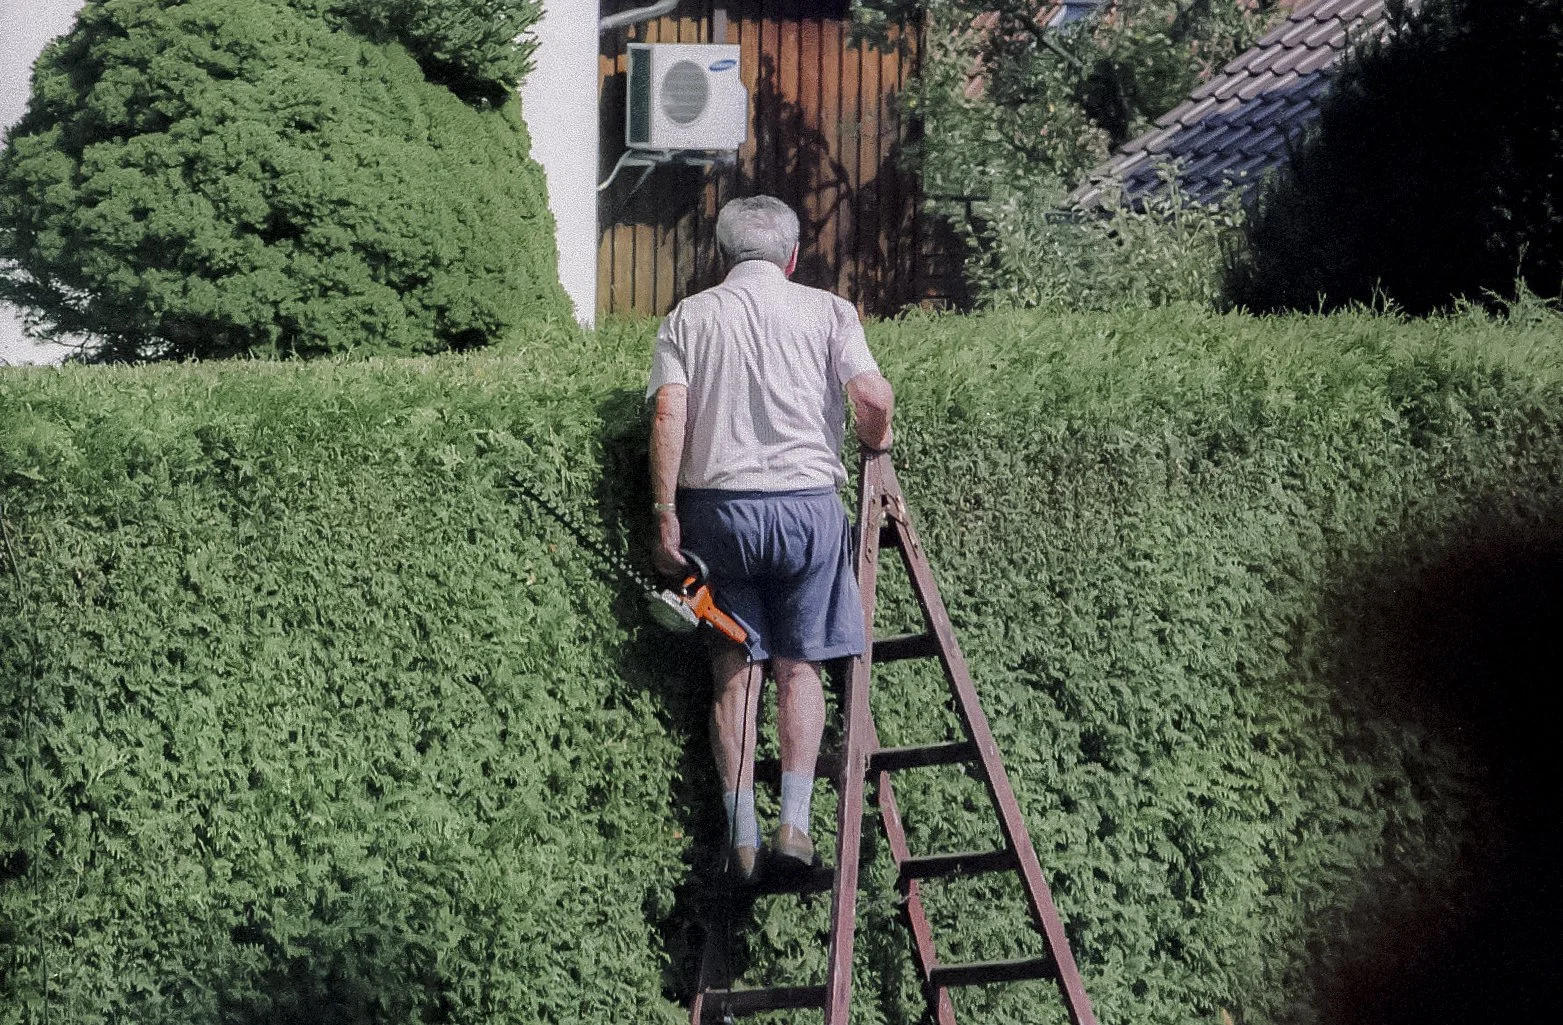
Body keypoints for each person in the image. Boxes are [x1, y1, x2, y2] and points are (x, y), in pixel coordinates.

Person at [647, 195, 895, 882]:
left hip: (716, 515)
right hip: (807, 512)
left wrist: (664, 512)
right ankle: (794, 827)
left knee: (734, 669)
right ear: (792, 257)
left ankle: (742, 838)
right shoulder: (829, 312)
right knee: (799, 665)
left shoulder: (688, 317)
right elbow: (874, 398)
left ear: (720, 255)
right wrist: (877, 440)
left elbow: (668, 410)